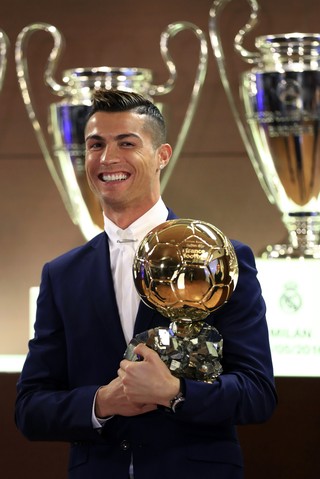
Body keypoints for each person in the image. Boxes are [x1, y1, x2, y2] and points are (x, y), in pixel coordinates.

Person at [15, 89, 277, 479]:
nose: (108, 158)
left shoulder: (220, 257)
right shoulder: (62, 274)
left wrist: (175, 393)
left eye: (127, 143)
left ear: (162, 156)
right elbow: (30, 408)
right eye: (95, 145)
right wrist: (101, 402)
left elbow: (258, 394)